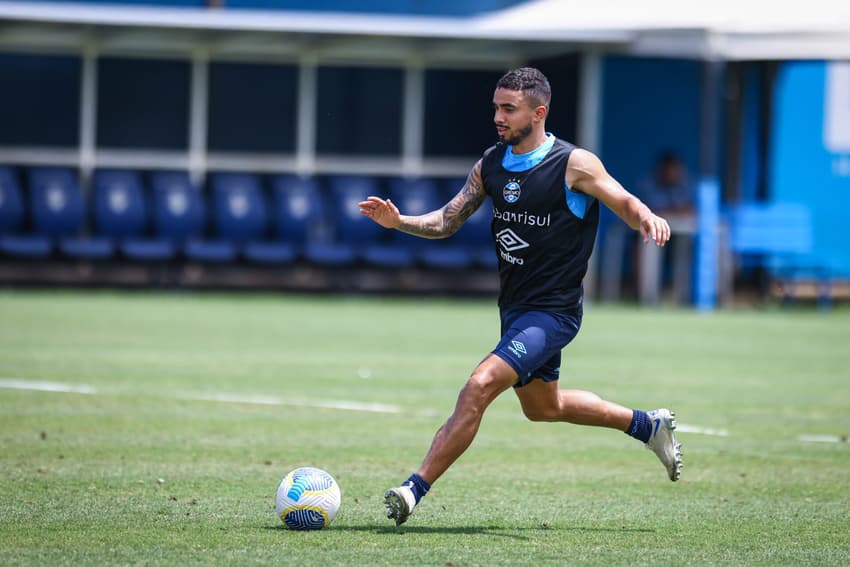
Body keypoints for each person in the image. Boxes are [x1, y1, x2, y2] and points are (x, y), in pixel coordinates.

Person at [358, 67, 682, 527]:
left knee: (480, 384)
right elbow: (447, 221)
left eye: (508, 109)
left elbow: (623, 200)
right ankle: (647, 425)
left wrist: (647, 216)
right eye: (496, 107)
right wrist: (400, 222)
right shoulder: (490, 164)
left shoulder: (573, 164)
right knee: (543, 408)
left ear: (539, 112)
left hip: (554, 313)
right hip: (515, 311)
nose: (498, 116)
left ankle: (413, 489)